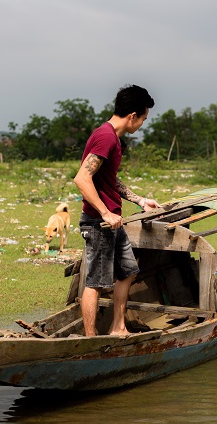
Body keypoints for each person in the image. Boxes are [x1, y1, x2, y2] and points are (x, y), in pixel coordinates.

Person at [74, 84, 159, 336]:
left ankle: (118, 327)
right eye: (143, 119)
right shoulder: (105, 136)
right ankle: (91, 341)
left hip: (114, 221)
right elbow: (82, 178)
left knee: (128, 272)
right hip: (99, 223)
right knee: (96, 283)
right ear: (132, 116)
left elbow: (109, 180)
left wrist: (140, 200)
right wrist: (104, 213)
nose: (142, 124)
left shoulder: (113, 139)